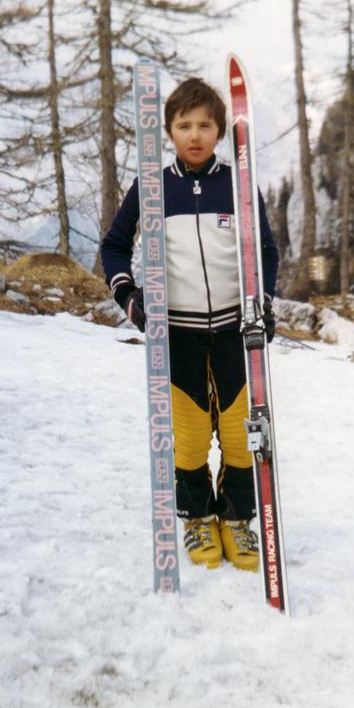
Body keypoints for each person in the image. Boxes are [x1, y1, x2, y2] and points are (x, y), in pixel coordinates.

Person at [101, 77, 279, 573]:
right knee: (191, 433)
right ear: (169, 131)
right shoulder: (153, 187)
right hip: (175, 334)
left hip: (234, 329)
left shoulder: (238, 184)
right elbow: (113, 246)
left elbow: (265, 250)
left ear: (221, 130)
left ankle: (239, 518)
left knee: (242, 435)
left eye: (205, 125)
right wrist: (130, 298)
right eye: (184, 125)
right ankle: (199, 516)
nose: (195, 135)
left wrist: (262, 302)